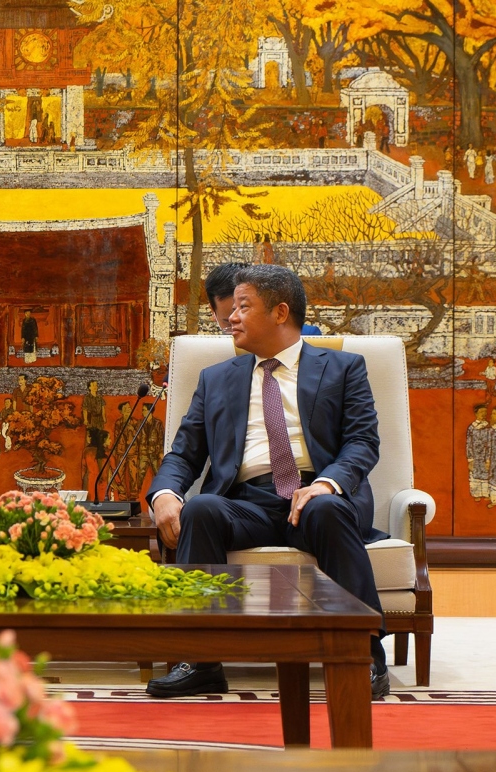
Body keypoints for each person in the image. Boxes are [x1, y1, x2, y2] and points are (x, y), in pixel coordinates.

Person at [146, 264, 390, 701]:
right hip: (247, 504)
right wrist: (165, 494)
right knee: (201, 508)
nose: (230, 318)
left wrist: (329, 484)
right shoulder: (216, 379)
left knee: (328, 507)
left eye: (243, 307)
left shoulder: (343, 368)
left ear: (280, 312)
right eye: (231, 309)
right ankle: (200, 659)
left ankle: (363, 652)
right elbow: (184, 453)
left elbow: (362, 443)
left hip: (316, 495)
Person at [205, 262, 321, 336]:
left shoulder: (304, 336)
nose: (237, 326)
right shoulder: (208, 353)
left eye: (244, 309)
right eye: (228, 323)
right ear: (213, 311)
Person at [466, 404, 490, 501]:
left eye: (485, 412)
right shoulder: (471, 428)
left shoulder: (489, 427)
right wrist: (470, 459)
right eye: (481, 412)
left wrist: (488, 458)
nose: (483, 414)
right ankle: (476, 494)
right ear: (476, 413)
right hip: (475, 456)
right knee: (475, 473)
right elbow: (468, 443)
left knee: (486, 473)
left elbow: (490, 442)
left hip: (485, 455)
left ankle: (486, 493)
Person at [82, 379, 106, 449]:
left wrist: (104, 417)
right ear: (89, 387)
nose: (95, 387)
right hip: (91, 419)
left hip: (99, 419)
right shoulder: (87, 398)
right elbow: (85, 409)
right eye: (93, 385)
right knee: (91, 436)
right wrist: (85, 419)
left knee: (100, 435)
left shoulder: (100, 397)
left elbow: (103, 408)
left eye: (96, 385)